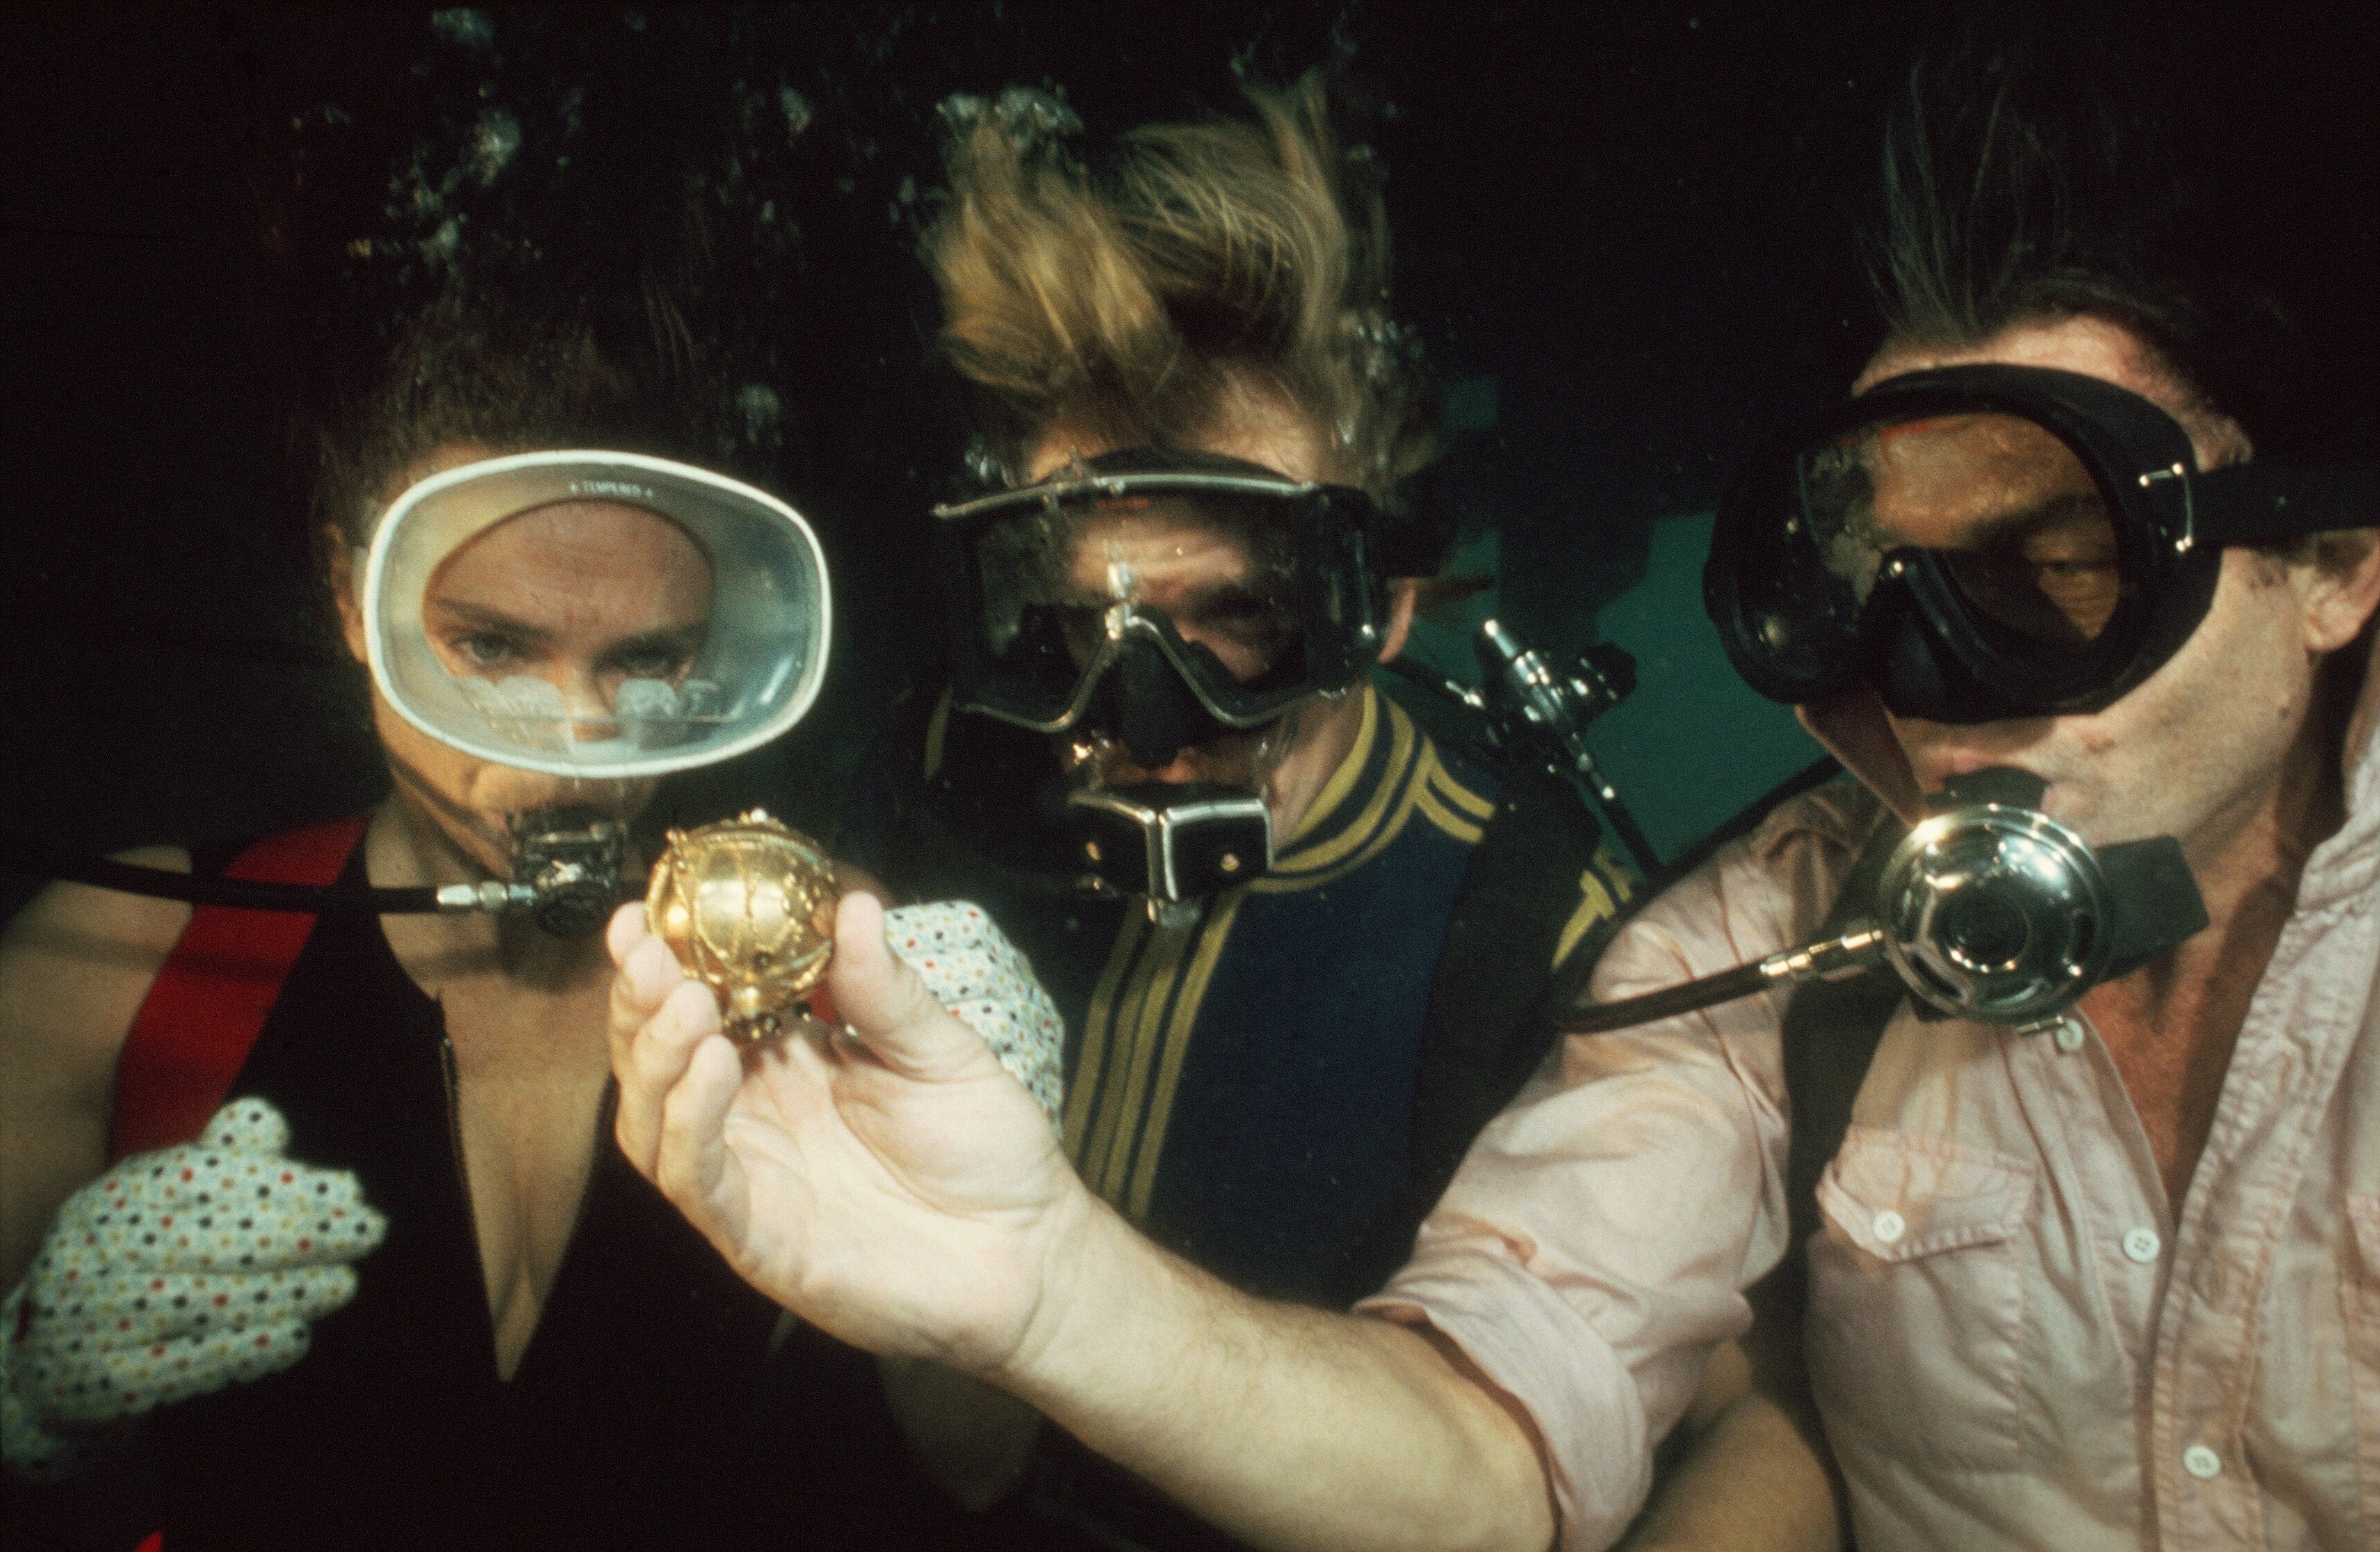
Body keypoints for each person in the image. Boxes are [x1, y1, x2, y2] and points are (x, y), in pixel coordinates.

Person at [606, 35, 2380, 1552]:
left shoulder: (1540, 909)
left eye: (2052, 568)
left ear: (2331, 561)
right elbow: (1500, 1425)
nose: (1143, 709)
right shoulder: (1753, 953)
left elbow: (1743, 1433)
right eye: (1877, 590)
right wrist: (1027, 1287)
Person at [0, 269, 1060, 1552]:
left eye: (647, 659)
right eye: (492, 648)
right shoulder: (117, 954)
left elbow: (974, 1467)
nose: (574, 755)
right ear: (353, 599)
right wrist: (31, 1386)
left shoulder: (826, 967)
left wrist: (995, 1195)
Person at [826, 74, 1649, 1547]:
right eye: (1082, 621)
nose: (1144, 714)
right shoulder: (946, 768)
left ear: (1381, 605)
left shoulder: (1524, 919)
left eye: (1244, 619)